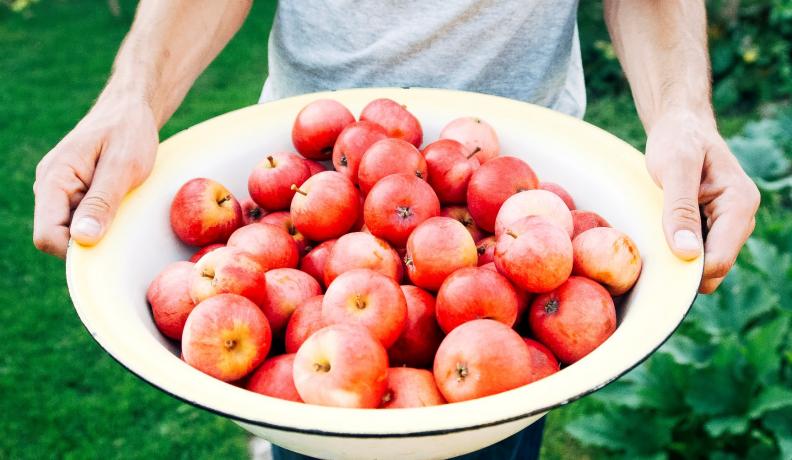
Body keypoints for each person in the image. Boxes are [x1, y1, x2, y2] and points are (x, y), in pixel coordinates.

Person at [32, 1, 759, 458]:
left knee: (481, 434)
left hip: (522, 181)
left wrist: (682, 111)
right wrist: (132, 96)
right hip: (307, 178)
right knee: (312, 417)